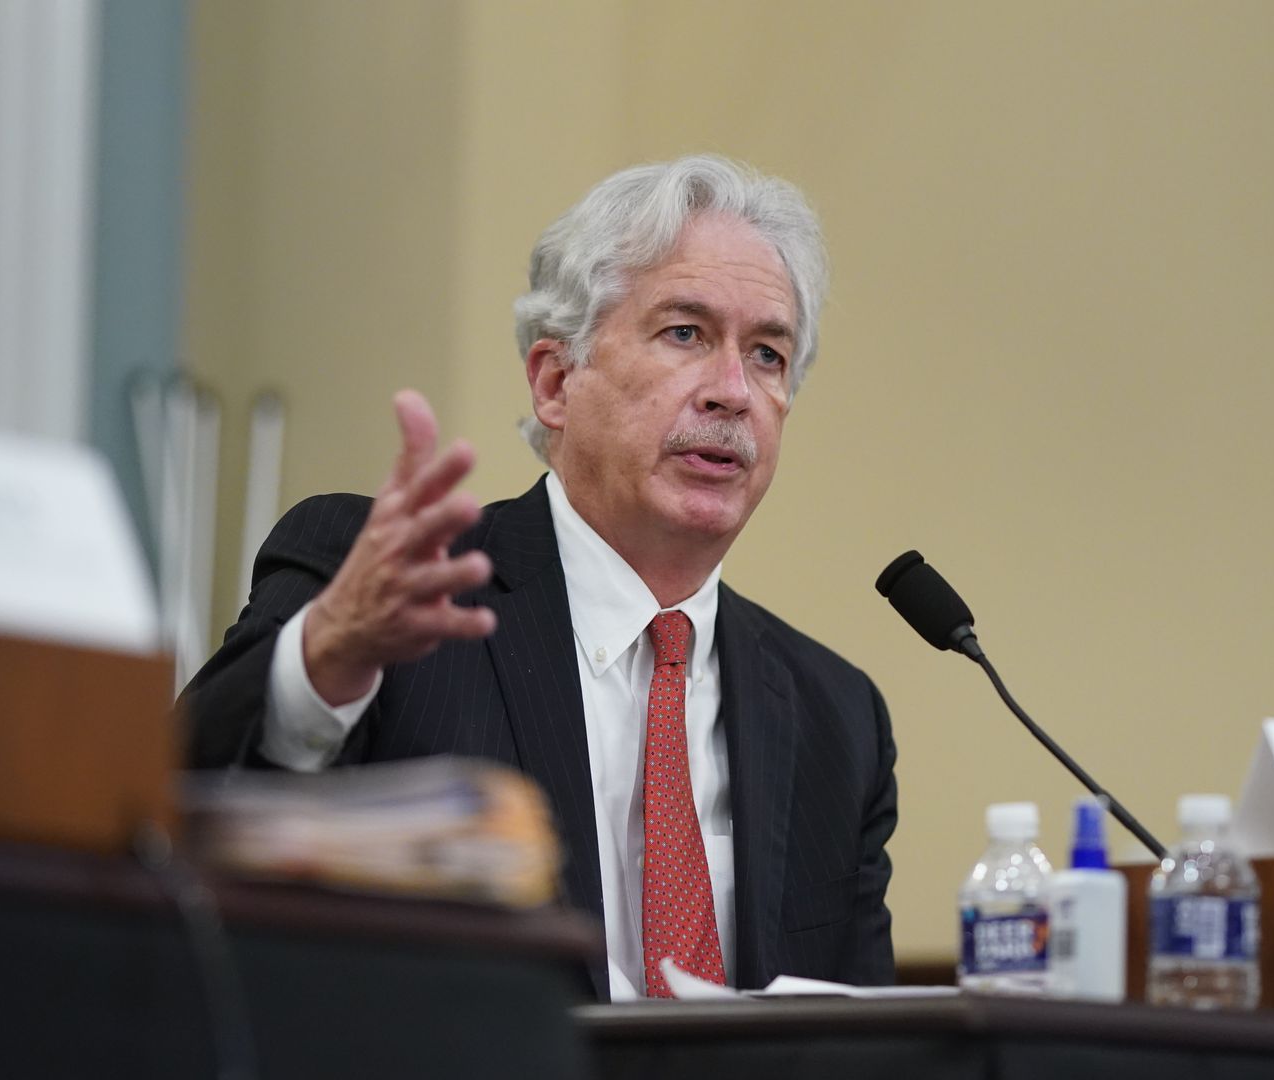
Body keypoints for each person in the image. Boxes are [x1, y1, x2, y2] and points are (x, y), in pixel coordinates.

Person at [181, 155, 896, 1002]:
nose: (733, 392)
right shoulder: (388, 586)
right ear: (556, 382)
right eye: (685, 334)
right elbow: (176, 811)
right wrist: (324, 663)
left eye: (769, 355)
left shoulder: (834, 719)